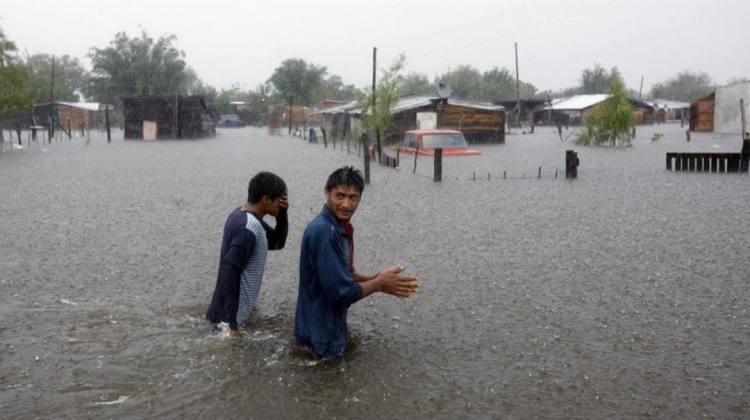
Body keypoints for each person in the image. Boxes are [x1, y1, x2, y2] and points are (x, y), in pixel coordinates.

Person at [294, 166, 419, 357]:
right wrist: (380, 284)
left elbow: (343, 274)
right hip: (320, 340)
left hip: (325, 330)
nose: (346, 204)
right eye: (340, 195)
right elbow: (341, 294)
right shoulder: (324, 232)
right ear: (326, 192)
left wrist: (375, 277)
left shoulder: (340, 228)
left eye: (353, 197)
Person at [206, 172, 289, 337]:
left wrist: (283, 213)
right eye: (279, 199)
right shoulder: (249, 228)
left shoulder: (240, 215)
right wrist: (232, 325)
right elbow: (228, 269)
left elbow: (277, 243)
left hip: (222, 310)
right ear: (265, 199)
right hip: (231, 320)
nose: (281, 203)